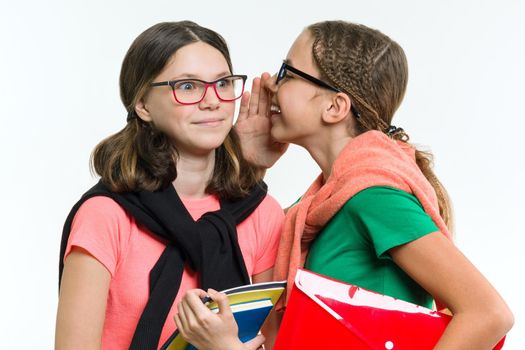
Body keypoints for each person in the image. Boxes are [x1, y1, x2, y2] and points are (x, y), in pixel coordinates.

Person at [176, 20, 514, 349]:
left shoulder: (374, 197)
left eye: (287, 74)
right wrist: (249, 166)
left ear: (335, 107)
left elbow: (488, 314)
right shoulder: (316, 209)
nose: (272, 86)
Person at [55, 21, 284, 350]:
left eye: (222, 82)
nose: (212, 101)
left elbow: (276, 343)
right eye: (188, 87)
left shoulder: (261, 213)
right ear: (143, 105)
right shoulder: (105, 216)